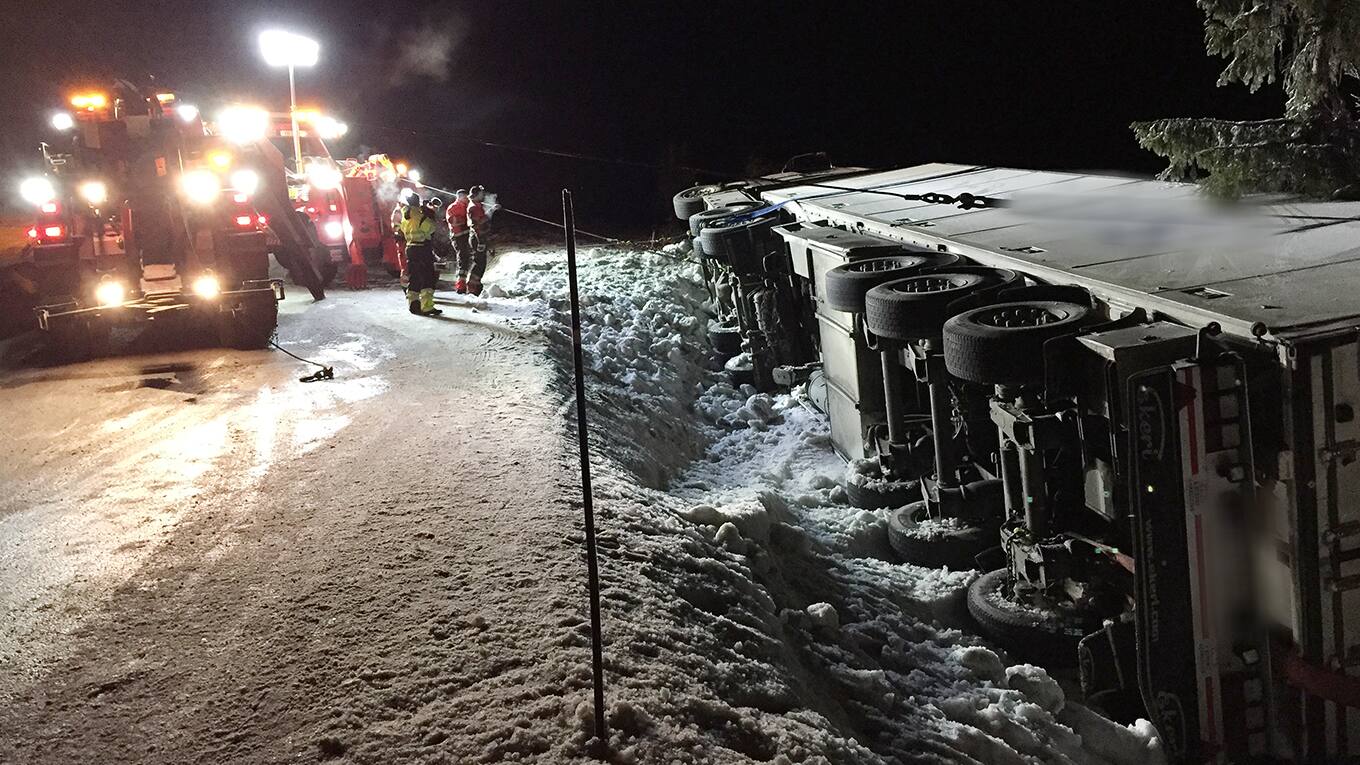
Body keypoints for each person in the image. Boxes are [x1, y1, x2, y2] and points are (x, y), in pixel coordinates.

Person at [398, 194, 441, 316]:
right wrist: (428, 212)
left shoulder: (405, 216)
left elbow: (402, 230)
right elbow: (432, 228)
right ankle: (427, 306)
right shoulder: (421, 216)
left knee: (414, 277)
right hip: (423, 249)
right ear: (418, 202)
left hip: (410, 248)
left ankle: (413, 304)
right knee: (427, 277)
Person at [464, 185, 497, 296]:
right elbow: (477, 224)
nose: (483, 195)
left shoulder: (477, 205)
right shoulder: (473, 207)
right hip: (477, 238)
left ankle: (476, 285)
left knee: (481, 263)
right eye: (481, 193)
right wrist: (481, 242)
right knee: (479, 263)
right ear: (477, 194)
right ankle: (472, 287)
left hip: (481, 237)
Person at [444, 189, 472, 293]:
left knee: (466, 259)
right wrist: (466, 220)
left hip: (466, 235)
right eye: (465, 197)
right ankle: (460, 286)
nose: (467, 199)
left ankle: (465, 284)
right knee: (462, 258)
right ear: (459, 197)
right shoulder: (453, 207)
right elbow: (453, 221)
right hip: (458, 236)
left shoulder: (467, 206)